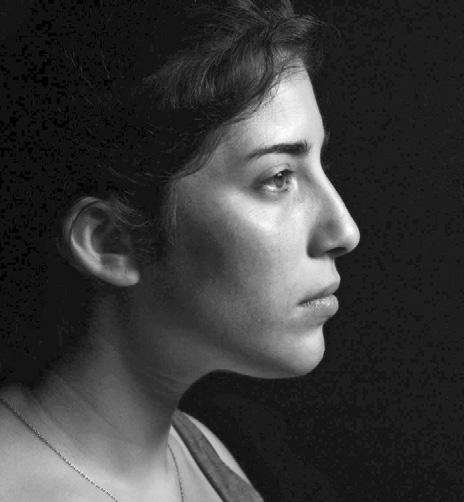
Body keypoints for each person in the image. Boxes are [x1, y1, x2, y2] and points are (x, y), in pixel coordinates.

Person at [0, 0, 360, 500]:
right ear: (110, 242)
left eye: (320, 163)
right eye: (278, 177)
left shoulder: (204, 455)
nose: (344, 230)